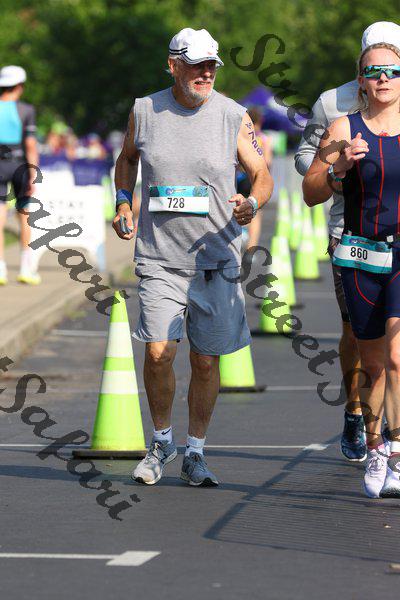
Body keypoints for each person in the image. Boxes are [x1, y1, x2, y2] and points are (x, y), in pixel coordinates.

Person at [113, 27, 273, 486]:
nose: (206, 73)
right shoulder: (145, 110)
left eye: (211, 66)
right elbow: (127, 159)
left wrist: (252, 203)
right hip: (160, 257)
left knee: (205, 360)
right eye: (197, 65)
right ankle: (162, 441)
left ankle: (196, 452)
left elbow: (262, 174)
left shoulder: (233, 116)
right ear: (173, 65)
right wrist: (122, 201)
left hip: (215, 258)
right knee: (158, 351)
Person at [295, 22, 400, 463]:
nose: (383, 76)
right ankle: (356, 413)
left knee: (395, 351)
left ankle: (391, 440)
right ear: (361, 69)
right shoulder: (332, 105)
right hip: (350, 230)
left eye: (392, 66)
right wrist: (340, 170)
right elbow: (307, 161)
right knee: (357, 339)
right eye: (374, 67)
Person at [0, 65, 39, 284]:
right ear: (19, 86)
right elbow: (30, 144)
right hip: (19, 165)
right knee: (24, 215)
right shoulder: (25, 110)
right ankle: (26, 268)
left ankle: (0, 269)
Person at [237, 107, 272, 258]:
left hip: (240, 178)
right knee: (255, 214)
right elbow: (267, 162)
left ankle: (239, 240)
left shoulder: (240, 136)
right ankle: (251, 249)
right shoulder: (264, 139)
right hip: (255, 179)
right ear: (260, 122)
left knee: (238, 209)